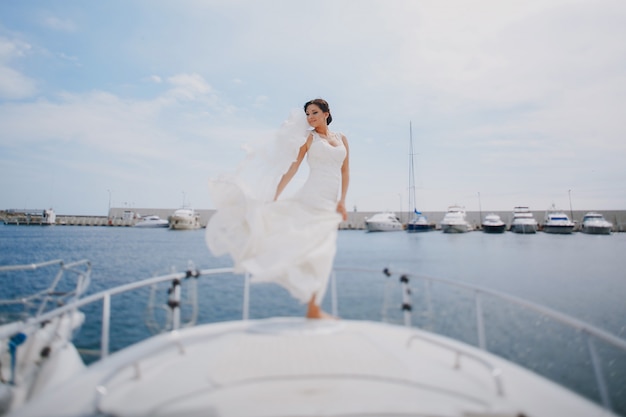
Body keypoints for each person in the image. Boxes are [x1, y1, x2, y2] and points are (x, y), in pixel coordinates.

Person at [205, 98, 349, 319]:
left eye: (314, 113)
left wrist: (342, 201)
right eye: (308, 114)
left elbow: (345, 172)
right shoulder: (308, 139)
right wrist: (275, 195)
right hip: (312, 197)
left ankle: (313, 307)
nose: (310, 117)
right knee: (314, 247)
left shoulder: (342, 139)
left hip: (330, 201)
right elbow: (293, 168)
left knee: (326, 251)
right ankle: (313, 307)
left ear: (326, 113)